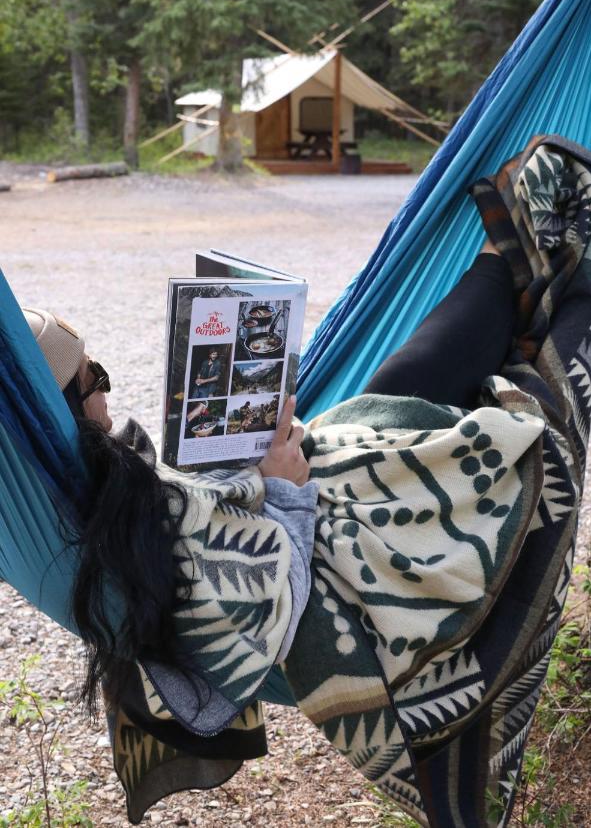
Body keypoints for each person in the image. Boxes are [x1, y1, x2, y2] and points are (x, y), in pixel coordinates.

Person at [22, 241, 512, 714]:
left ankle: (496, 270)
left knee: (383, 403)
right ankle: (499, 264)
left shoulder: (65, 485)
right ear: (68, 402)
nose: (108, 389)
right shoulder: (113, 510)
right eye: (96, 377)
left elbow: (194, 519)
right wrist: (285, 490)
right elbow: (266, 606)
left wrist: (241, 465)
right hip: (329, 567)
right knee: (398, 398)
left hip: (278, 497)